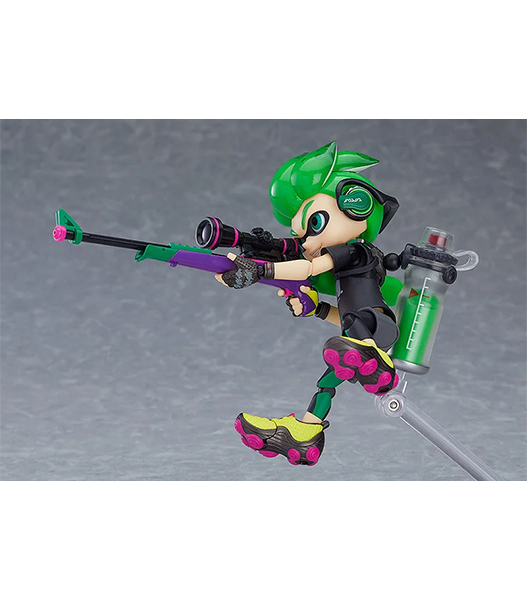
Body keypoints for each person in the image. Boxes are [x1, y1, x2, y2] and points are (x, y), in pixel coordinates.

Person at [216, 141, 402, 465]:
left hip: (377, 328)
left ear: (355, 205)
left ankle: (379, 364)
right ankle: (305, 433)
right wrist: (317, 309)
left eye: (315, 224)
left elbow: (309, 268)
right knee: (327, 382)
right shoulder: (344, 276)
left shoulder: (356, 251)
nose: (306, 243)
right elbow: (343, 316)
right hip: (357, 336)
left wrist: (261, 270)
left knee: (353, 332)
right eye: (301, 236)